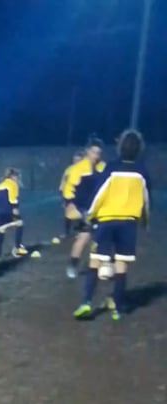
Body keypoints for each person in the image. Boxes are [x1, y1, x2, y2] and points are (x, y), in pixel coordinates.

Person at [73, 128, 150, 322]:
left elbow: (99, 194)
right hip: (128, 223)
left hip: (107, 221)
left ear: (120, 147)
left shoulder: (112, 168)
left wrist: (89, 215)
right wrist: (145, 221)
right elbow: (146, 198)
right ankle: (117, 307)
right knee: (121, 264)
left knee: (95, 260)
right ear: (139, 149)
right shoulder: (141, 171)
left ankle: (86, 302)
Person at [61, 137, 105, 277]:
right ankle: (72, 265)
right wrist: (71, 205)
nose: (96, 155)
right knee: (83, 238)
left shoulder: (103, 167)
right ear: (87, 151)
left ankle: (99, 266)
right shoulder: (77, 169)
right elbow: (68, 189)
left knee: (101, 238)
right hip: (83, 209)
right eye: (93, 152)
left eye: (98, 153)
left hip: (99, 209)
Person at [0, 168, 27, 258]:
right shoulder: (13, 184)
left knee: (1, 230)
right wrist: (15, 209)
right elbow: (12, 199)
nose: (17, 179)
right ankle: (17, 248)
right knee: (20, 224)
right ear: (13, 176)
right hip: (9, 210)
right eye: (17, 176)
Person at [59, 150, 84, 237]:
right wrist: (62, 196)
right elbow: (63, 183)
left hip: (80, 196)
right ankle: (67, 232)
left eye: (78, 160)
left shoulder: (85, 170)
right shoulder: (69, 170)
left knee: (81, 214)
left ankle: (81, 232)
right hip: (69, 195)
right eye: (75, 160)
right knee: (68, 214)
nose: (76, 162)